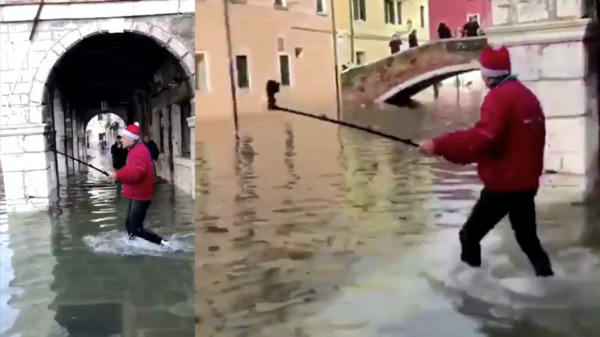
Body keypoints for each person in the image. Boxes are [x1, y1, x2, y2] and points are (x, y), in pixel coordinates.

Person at [418, 46, 554, 277]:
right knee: (528, 240)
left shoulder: (498, 98)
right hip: (525, 183)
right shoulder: (526, 95)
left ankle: (472, 282)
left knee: (469, 235)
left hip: (505, 185)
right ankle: (548, 282)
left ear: (486, 74)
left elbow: (482, 138)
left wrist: (438, 145)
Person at [108, 122, 173, 249]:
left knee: (136, 228)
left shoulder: (138, 151)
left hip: (140, 196)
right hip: (136, 193)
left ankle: (165, 244)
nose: (121, 139)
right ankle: (132, 245)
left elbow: (136, 173)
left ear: (132, 139)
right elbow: (131, 170)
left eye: (124, 137)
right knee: (129, 224)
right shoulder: (133, 149)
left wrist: (117, 175)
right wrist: (119, 175)